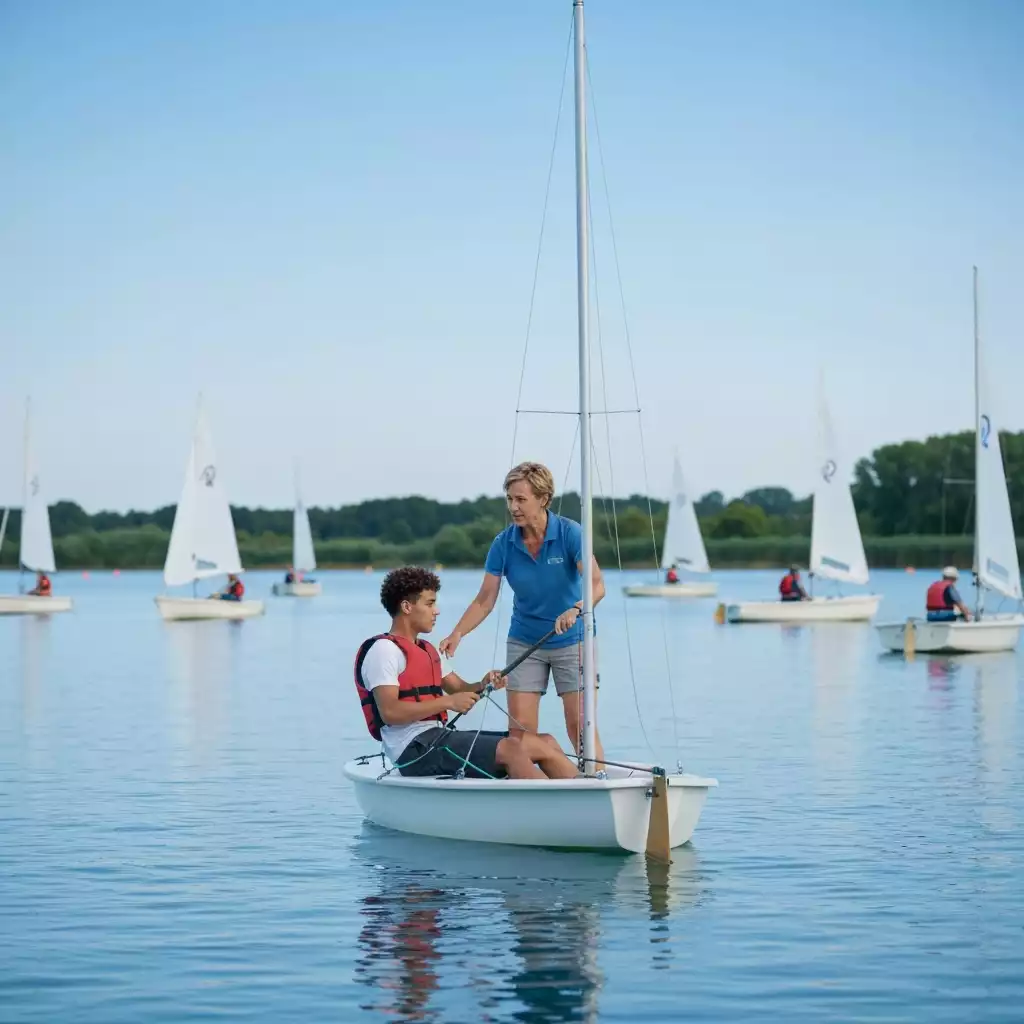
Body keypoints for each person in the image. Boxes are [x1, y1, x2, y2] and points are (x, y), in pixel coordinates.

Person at [439, 461, 606, 767]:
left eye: (520, 499)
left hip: (573, 640)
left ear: (542, 499)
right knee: (520, 735)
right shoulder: (503, 543)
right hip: (525, 642)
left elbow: (596, 586)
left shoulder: (570, 533)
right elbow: (484, 600)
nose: (513, 507)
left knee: (579, 726)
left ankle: (597, 782)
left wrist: (577, 609)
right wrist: (458, 633)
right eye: (510, 499)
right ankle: (529, 791)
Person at [356, 566, 579, 780]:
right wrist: (448, 703)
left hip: (437, 738)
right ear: (407, 607)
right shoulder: (384, 651)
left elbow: (460, 689)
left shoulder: (427, 650)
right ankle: (550, 811)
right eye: (430, 603)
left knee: (544, 742)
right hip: (412, 751)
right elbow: (390, 713)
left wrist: (483, 683)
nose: (437, 611)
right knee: (511, 749)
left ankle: (582, 798)